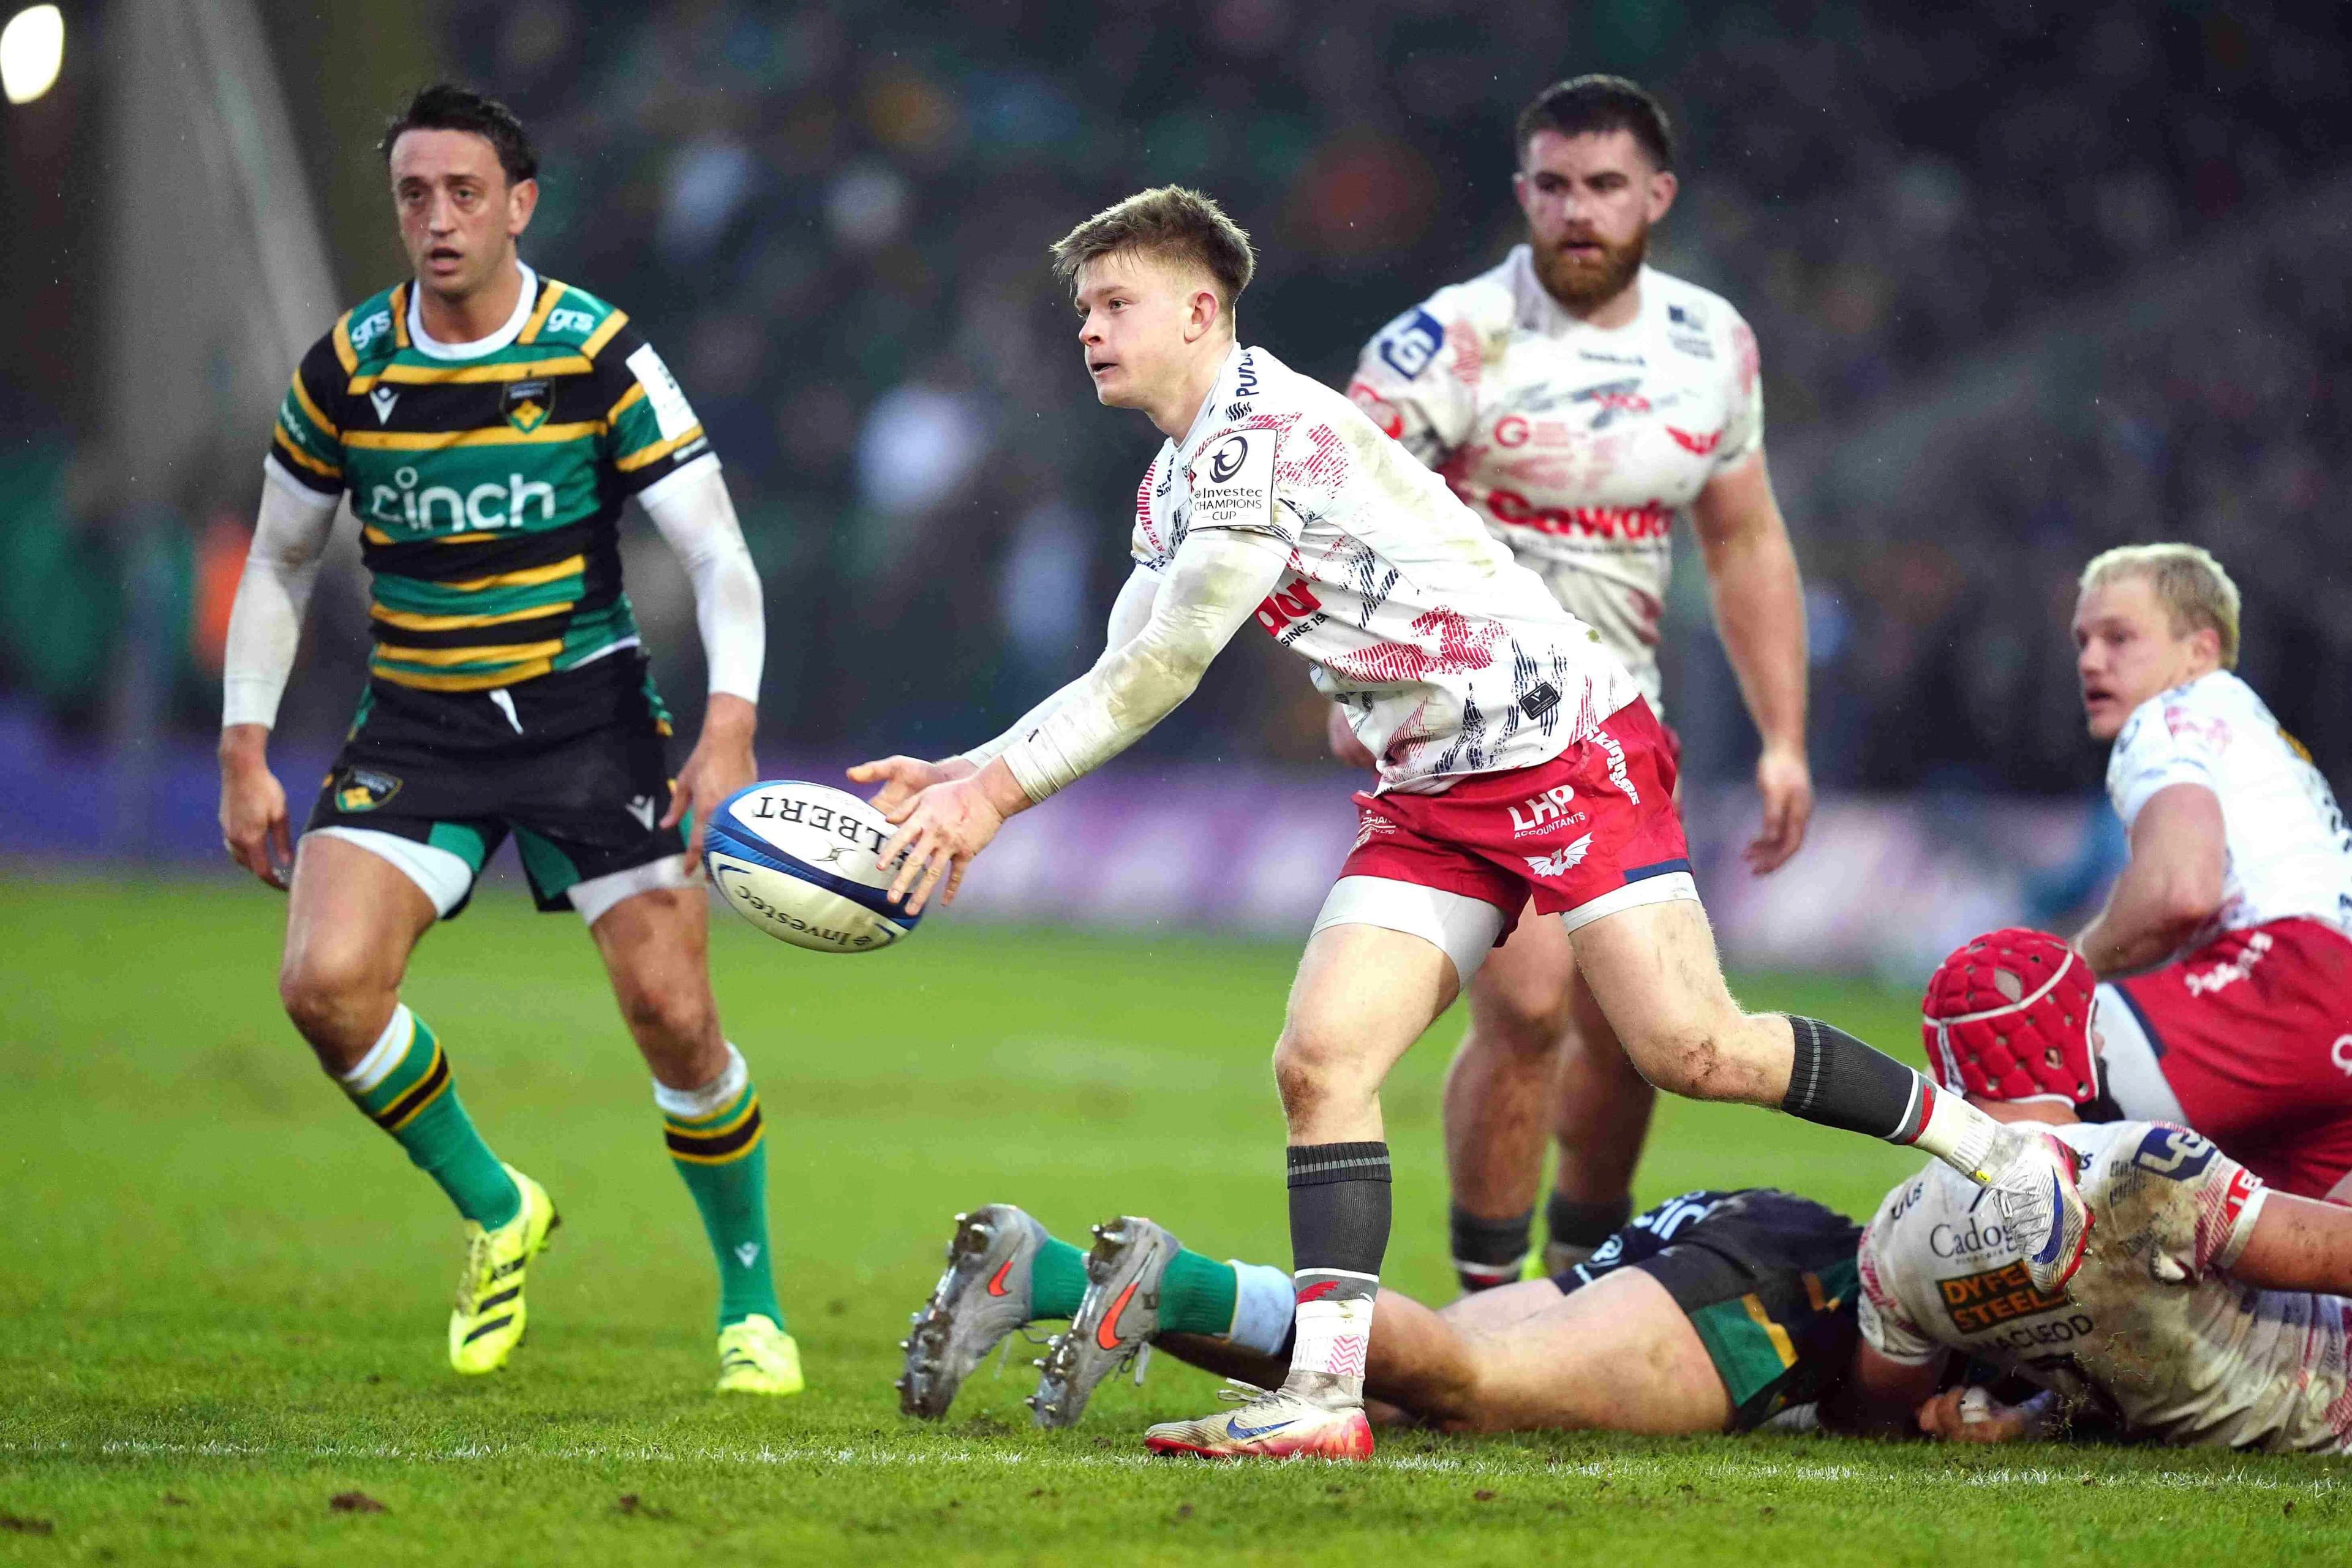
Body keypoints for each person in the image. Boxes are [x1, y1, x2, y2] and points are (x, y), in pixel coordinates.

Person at [851, 184, 2085, 1460]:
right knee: (1322, 1059)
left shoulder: (1257, 440)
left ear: (1202, 311)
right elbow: (1126, 647)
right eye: (1085, 309)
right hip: (1437, 792)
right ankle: (1325, 1400)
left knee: (1695, 1047)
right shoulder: (1177, 477)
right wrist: (974, 763)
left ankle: (1999, 1153)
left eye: (1116, 303)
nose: (1091, 328)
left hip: (1564, 746)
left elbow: (1167, 666)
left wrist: (994, 798)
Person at [215, 85, 797, 1393]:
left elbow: (720, 555)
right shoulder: (347, 369)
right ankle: (498, 1204)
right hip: (420, 722)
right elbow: (279, 562)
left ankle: (752, 1307)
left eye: (464, 193)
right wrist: (243, 747)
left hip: (590, 718)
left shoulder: (597, 352)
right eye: (414, 195)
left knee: (674, 1015)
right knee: (323, 987)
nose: (438, 218)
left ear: (519, 204)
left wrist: (729, 727)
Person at [1344, 76, 1814, 1291]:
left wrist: (1783, 736)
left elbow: (1743, 540)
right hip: (1476, 725)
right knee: (1531, 1009)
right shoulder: (1445, 344)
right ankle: (1488, 1301)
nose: (1577, 211)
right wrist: (1361, 689)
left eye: (1605, 186)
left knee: (1633, 1034)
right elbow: (1336, 522)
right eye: (1553, 186)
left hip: (1624, 725)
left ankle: (1580, 1274)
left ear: (1657, 196)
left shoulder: (1712, 345)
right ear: (1523, 194)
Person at [1853, 927, 2352, 1452]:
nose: (2100, 1043)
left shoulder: (1895, 1232)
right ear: (2055, 1054)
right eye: (2090, 1026)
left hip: (2175, 1424)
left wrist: (2022, 1420)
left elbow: (1882, 1410)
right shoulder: (2144, 1164)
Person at [896, 1191, 1860, 1446]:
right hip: (1795, 1288)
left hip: (1753, 1236)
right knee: (1474, 1389)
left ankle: (1046, 1275)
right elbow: (1903, 1398)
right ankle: (1175, 1283)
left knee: (1395, 1388)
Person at [2068, 544, 2352, 1200]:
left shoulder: (2167, 716)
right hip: (2334, 1011)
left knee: (2011, 1038)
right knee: (2291, 1259)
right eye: (2083, 641)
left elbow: (2179, 891)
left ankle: (1882, 1262)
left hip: (2284, 981)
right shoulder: (2249, 727)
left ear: (2199, 651)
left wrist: (2067, 970)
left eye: (2119, 638)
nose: (2090, 660)